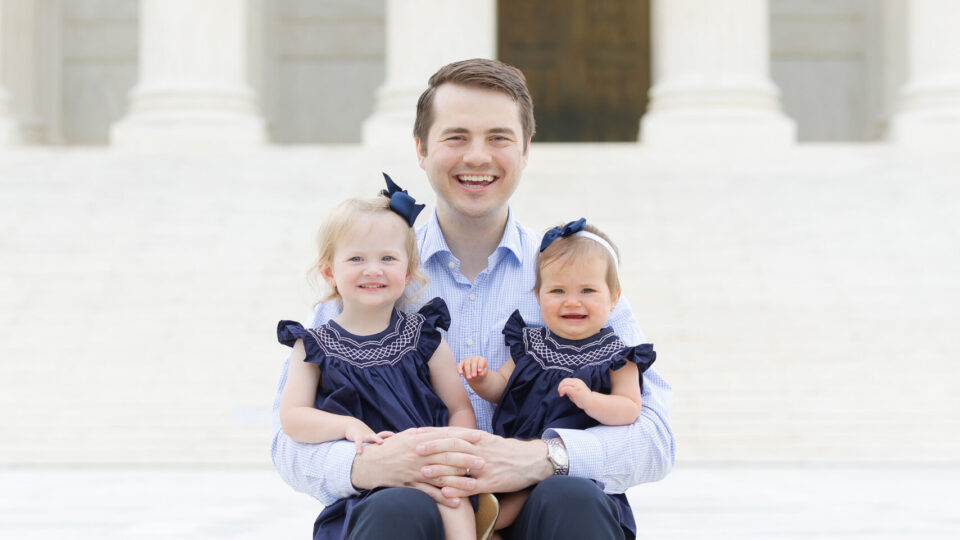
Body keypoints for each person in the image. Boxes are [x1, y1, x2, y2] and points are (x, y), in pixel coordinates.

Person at [271, 58, 675, 540]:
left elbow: (655, 440)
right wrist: (372, 463)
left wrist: (544, 457)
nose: (478, 156)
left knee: (573, 496)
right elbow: (288, 443)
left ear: (526, 150)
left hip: (545, 513)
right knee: (393, 510)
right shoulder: (367, 275)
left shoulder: (576, 281)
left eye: (499, 138)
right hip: (407, 510)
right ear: (421, 149)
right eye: (456, 136)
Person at [276, 177, 482, 540]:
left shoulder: (425, 337)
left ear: (408, 270)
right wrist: (346, 427)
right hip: (371, 486)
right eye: (356, 258)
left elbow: (458, 405)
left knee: (453, 500)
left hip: (432, 464)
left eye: (387, 258)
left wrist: (451, 447)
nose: (373, 269)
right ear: (329, 272)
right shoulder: (313, 345)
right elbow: (293, 417)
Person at [457, 218, 656, 537]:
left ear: (614, 297)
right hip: (517, 455)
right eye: (558, 290)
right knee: (503, 496)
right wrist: (481, 379)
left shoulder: (616, 355)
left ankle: (491, 528)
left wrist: (590, 400)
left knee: (544, 498)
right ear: (538, 295)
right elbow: (501, 388)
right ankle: (487, 527)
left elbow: (629, 408)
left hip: (574, 467)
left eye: (587, 291)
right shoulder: (531, 344)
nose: (572, 301)